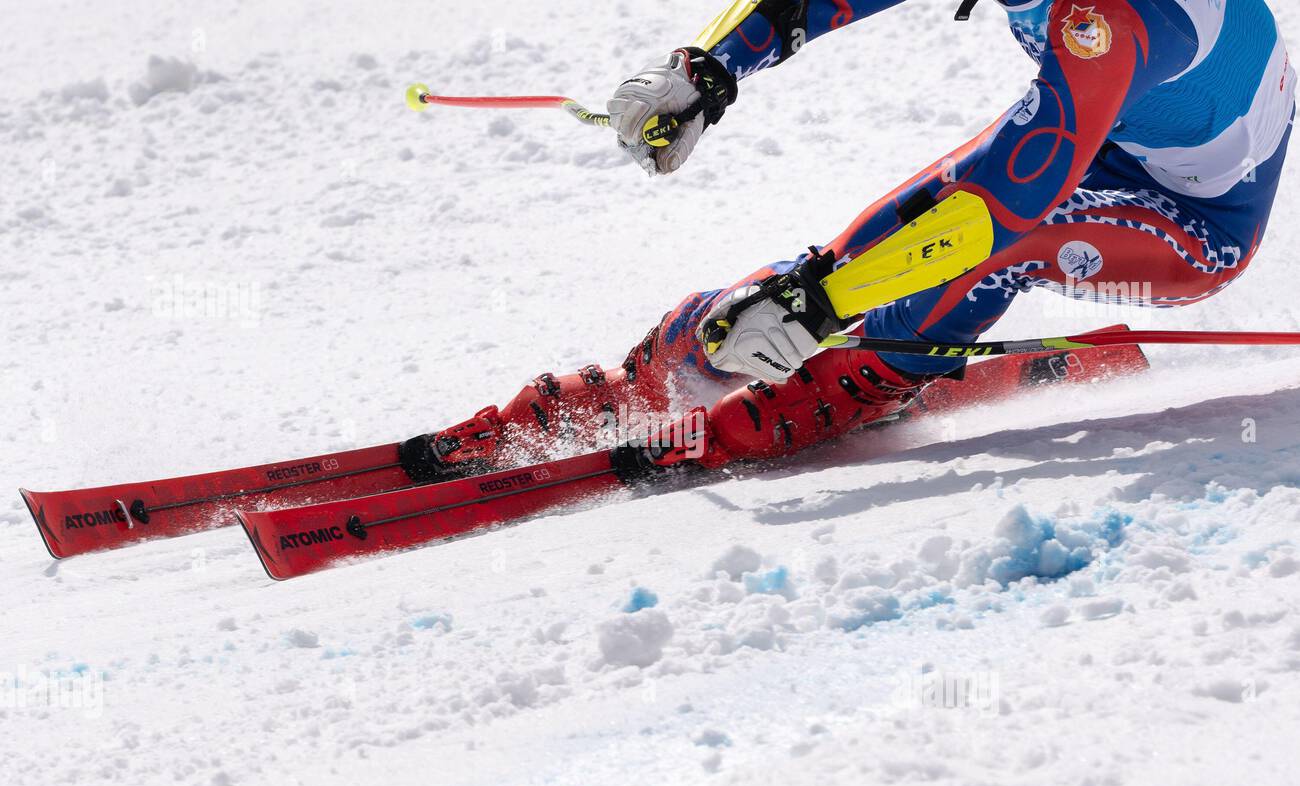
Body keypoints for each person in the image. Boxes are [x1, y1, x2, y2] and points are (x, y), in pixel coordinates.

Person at [400, 0, 1295, 481]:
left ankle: (871, 378)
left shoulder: (1111, 21)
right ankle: (665, 374)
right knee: (900, 232)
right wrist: (707, 71)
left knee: (984, 234)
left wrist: (820, 301)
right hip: (1098, 141)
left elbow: (1001, 206)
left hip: (1190, 226)